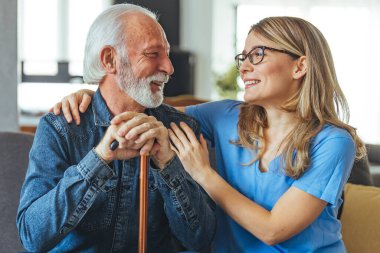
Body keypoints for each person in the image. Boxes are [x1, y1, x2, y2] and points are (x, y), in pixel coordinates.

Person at [54, 16, 366, 252]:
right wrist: (93, 96)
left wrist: (203, 173)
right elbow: (148, 111)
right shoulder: (229, 117)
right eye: (243, 58)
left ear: (300, 66)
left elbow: (274, 230)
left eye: (257, 54)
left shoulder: (333, 142)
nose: (244, 68)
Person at [17, 4, 215, 253]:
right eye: (153, 53)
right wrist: (101, 157)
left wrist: (167, 163)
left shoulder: (181, 129)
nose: (169, 67)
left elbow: (200, 239)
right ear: (110, 59)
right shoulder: (60, 128)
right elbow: (31, 237)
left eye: (166, 54)